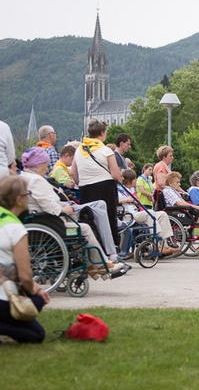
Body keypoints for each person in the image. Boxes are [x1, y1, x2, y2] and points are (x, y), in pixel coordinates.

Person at [20, 147, 126, 276]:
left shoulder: (24, 178)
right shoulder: (36, 180)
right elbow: (49, 206)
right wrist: (64, 209)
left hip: (40, 221)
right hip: (50, 224)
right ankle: (102, 263)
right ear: (39, 164)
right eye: (46, 165)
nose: (47, 169)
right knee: (84, 229)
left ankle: (94, 264)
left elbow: (44, 202)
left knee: (85, 220)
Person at [0, 176, 51, 344]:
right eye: (27, 194)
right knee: (37, 332)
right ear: (18, 199)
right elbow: (25, 277)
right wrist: (35, 289)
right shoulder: (15, 228)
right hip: (3, 298)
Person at [71, 118, 123, 247]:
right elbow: (116, 174)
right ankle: (111, 248)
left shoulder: (79, 150)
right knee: (108, 218)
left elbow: (73, 172)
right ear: (102, 133)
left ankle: (92, 245)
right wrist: (120, 178)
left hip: (85, 189)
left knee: (89, 218)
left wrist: (81, 182)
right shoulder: (106, 150)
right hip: (105, 187)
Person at [117, 169, 180, 255]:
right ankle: (157, 243)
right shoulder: (119, 190)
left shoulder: (132, 191)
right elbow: (115, 200)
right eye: (135, 179)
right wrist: (127, 199)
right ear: (129, 180)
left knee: (162, 214)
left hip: (137, 212)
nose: (136, 180)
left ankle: (164, 245)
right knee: (149, 214)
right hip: (129, 215)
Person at [163, 171, 199, 248]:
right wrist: (195, 207)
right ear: (170, 183)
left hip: (182, 212)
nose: (179, 184)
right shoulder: (168, 191)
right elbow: (180, 203)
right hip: (179, 214)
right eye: (177, 182)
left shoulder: (173, 191)